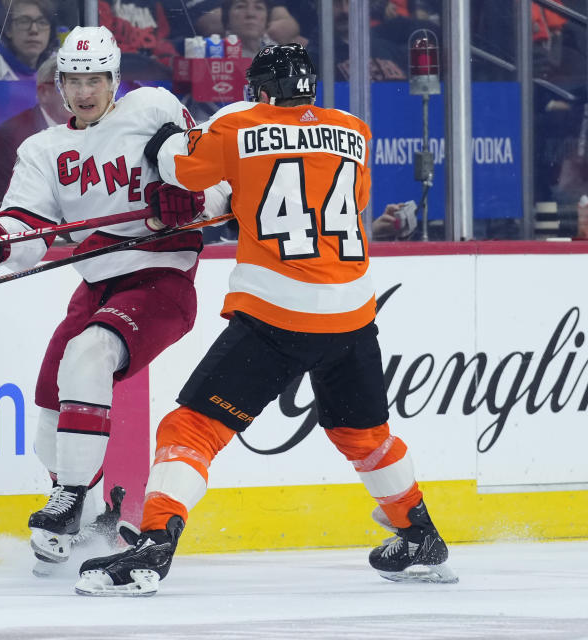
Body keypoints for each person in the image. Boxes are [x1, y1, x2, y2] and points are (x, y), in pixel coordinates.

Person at [74, 44, 457, 597]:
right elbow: (331, 194)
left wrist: (166, 149)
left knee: (190, 430)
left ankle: (151, 549)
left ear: (260, 90)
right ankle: (419, 535)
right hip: (352, 314)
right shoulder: (354, 130)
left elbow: (176, 166)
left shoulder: (238, 126)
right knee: (363, 433)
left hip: (278, 313)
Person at [0, 25, 230, 576]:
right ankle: (90, 520)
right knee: (48, 423)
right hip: (97, 286)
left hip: (161, 278)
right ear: (59, 83)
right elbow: (26, 231)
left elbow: (211, 176)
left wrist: (190, 199)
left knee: (90, 353)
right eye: (74, 80)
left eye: (96, 79)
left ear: (115, 79)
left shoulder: (152, 109)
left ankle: (68, 501)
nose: (84, 91)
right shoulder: (43, 150)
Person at [0, 56, 70, 213]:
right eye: (67, 85)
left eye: (88, 83)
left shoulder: (94, 130)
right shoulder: (9, 136)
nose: (81, 93)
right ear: (44, 93)